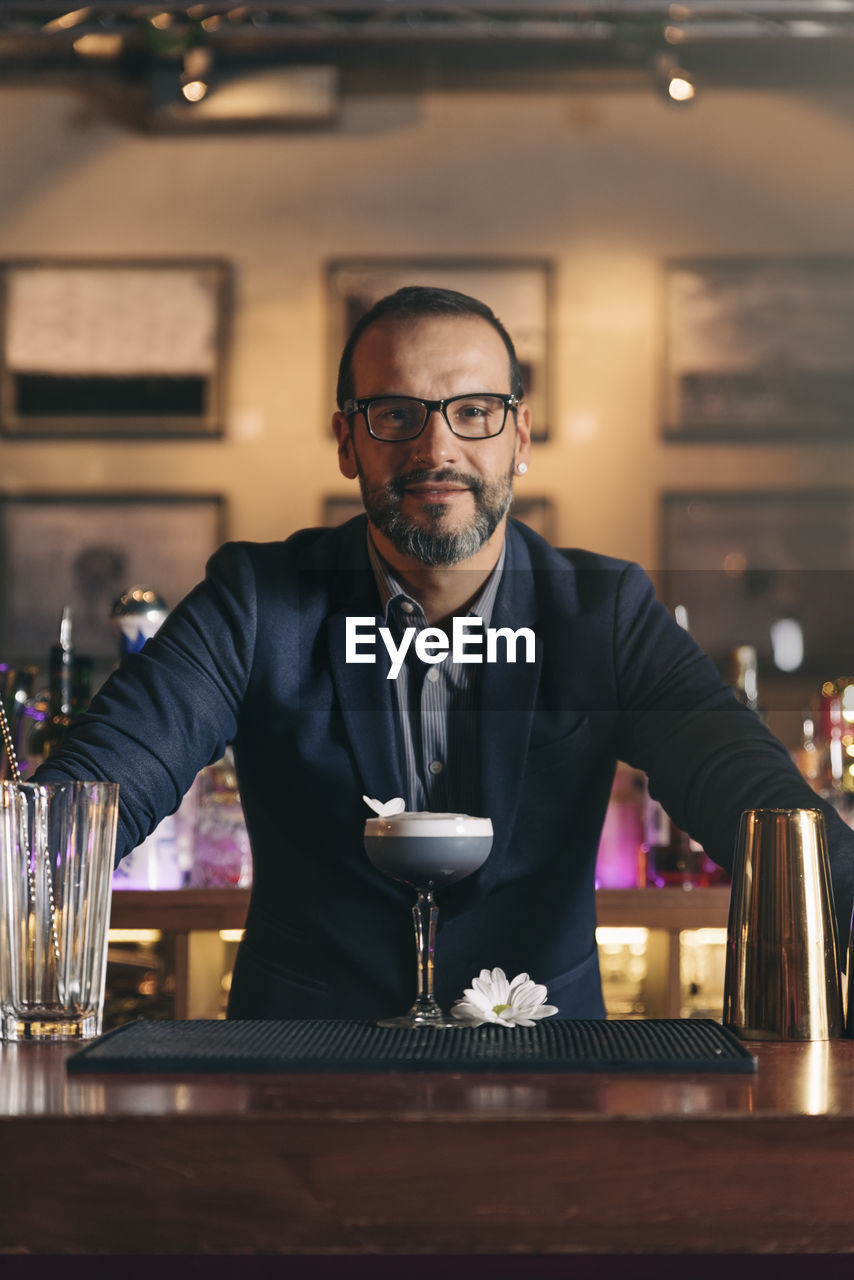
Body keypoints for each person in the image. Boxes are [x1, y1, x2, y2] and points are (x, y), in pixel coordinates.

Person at [34, 286, 854, 1020]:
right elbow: (100, 787)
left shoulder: (604, 612)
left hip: (548, 1083)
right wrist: (28, 860)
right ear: (348, 442)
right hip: (301, 1082)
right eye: (396, 413)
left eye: (474, 410)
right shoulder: (256, 599)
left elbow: (752, 797)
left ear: (520, 433)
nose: (437, 450)